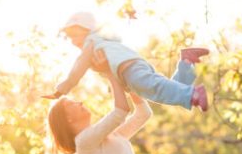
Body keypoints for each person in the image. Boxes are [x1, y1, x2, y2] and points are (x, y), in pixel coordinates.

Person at [43, 11, 209, 111]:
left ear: (86, 30)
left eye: (74, 35)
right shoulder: (102, 41)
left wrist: (61, 91)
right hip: (132, 68)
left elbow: (77, 69)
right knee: (165, 91)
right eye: (69, 38)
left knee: (158, 89)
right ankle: (187, 63)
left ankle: (192, 94)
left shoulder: (91, 42)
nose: (73, 41)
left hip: (130, 71)